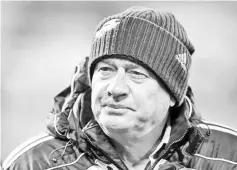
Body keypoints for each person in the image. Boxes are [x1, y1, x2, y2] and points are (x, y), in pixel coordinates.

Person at [2, 6, 237, 170]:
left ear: (173, 95)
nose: (116, 88)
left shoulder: (228, 157)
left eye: (137, 74)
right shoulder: (33, 163)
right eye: (106, 70)